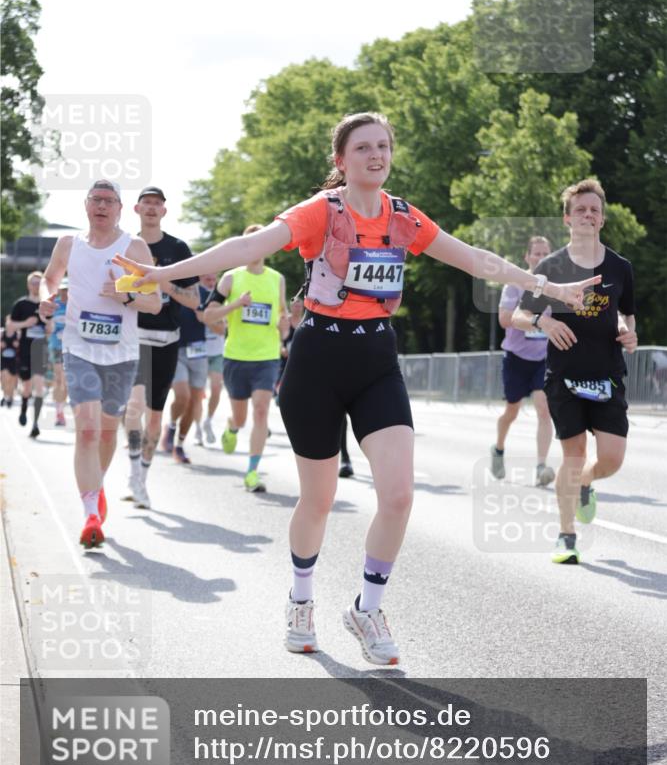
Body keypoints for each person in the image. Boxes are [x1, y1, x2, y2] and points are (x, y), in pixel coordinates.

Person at [114, 112, 598, 664]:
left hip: (376, 359)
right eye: (363, 147)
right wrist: (166, 274)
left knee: (398, 494)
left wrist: (547, 284)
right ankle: (300, 601)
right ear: (340, 160)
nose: (376, 155)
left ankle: (366, 609)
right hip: (317, 359)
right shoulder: (322, 212)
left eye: (384, 146)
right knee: (318, 499)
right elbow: (246, 248)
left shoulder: (402, 217)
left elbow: (476, 259)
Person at [513, 178, 637, 565]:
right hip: (564, 375)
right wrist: (545, 324)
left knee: (612, 459)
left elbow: (627, 313)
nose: (587, 215)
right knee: (573, 453)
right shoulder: (551, 267)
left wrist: (629, 333)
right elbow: (519, 316)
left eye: (594, 210)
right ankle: (566, 536)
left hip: (607, 374)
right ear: (568, 219)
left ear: (601, 219)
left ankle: (586, 482)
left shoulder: (620, 267)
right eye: (580, 209)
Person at [38, 179, 160, 549]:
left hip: (121, 353)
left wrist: (125, 296)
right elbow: (50, 279)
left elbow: (154, 303)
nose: (102, 205)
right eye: (96, 199)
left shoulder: (134, 247)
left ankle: (97, 484)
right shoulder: (68, 244)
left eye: (109, 201)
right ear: (86, 206)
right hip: (78, 347)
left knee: (108, 431)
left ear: (121, 209)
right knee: (87, 429)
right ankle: (91, 512)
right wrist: (46, 299)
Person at [123, 186, 199, 507]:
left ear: (164, 211)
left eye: (158, 204)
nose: (152, 209)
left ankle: (142, 475)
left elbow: (194, 300)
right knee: (134, 406)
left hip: (166, 339)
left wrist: (163, 281)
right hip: (133, 336)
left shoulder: (178, 248)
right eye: (147, 204)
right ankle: (131, 468)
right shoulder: (125, 246)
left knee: (155, 417)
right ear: (137, 209)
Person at [201, 224, 289, 493]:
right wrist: (236, 305)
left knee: (261, 410)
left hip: (266, 356)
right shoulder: (230, 278)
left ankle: (252, 472)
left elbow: (282, 315)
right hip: (236, 356)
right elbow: (209, 315)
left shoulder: (277, 279)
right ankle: (232, 427)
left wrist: (284, 326)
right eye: (251, 241)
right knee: (240, 417)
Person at [490, 236, 555, 486]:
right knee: (512, 411)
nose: (540, 258)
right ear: (527, 257)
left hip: (543, 358)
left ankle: (541, 466)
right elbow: (504, 319)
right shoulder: (514, 285)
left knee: (543, 407)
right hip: (516, 357)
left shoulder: (555, 287)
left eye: (545, 253)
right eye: (536, 253)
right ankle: (498, 448)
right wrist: (533, 317)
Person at [161, 285, 209, 464]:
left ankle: (179, 444)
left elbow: (219, 326)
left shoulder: (205, 294)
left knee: (194, 403)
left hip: (198, 354)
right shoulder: (172, 288)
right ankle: (172, 425)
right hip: (176, 350)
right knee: (183, 396)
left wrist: (208, 318)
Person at [9, 271, 48, 438]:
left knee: (39, 387)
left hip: (40, 350)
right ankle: (24, 407)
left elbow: (51, 328)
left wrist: (48, 324)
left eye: (39, 283)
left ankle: (36, 424)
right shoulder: (21, 304)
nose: (36, 286)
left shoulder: (46, 305)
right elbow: (10, 327)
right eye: (33, 283)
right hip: (25, 350)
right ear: (28, 285)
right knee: (26, 387)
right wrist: (26, 323)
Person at [193, 272, 227, 446]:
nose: (211, 283)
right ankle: (197, 427)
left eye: (214, 280)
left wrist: (206, 318)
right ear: (200, 279)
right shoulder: (195, 296)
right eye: (208, 279)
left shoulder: (220, 299)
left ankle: (208, 420)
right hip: (198, 351)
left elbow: (221, 330)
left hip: (217, 351)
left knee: (216, 388)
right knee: (198, 393)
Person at [47, 279, 69, 426]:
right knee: (59, 377)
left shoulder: (77, 305)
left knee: (67, 380)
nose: (65, 292)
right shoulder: (54, 306)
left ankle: (62, 407)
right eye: (63, 289)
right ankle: (59, 413)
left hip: (73, 347)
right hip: (56, 346)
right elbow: (47, 327)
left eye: (68, 289)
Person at [1, 321, 19, 409]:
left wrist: (17, 345)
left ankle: (10, 397)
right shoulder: (2, 334)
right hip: (4, 359)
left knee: (11, 380)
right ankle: (4, 396)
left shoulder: (17, 334)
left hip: (14, 360)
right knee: (4, 378)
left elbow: (22, 346)